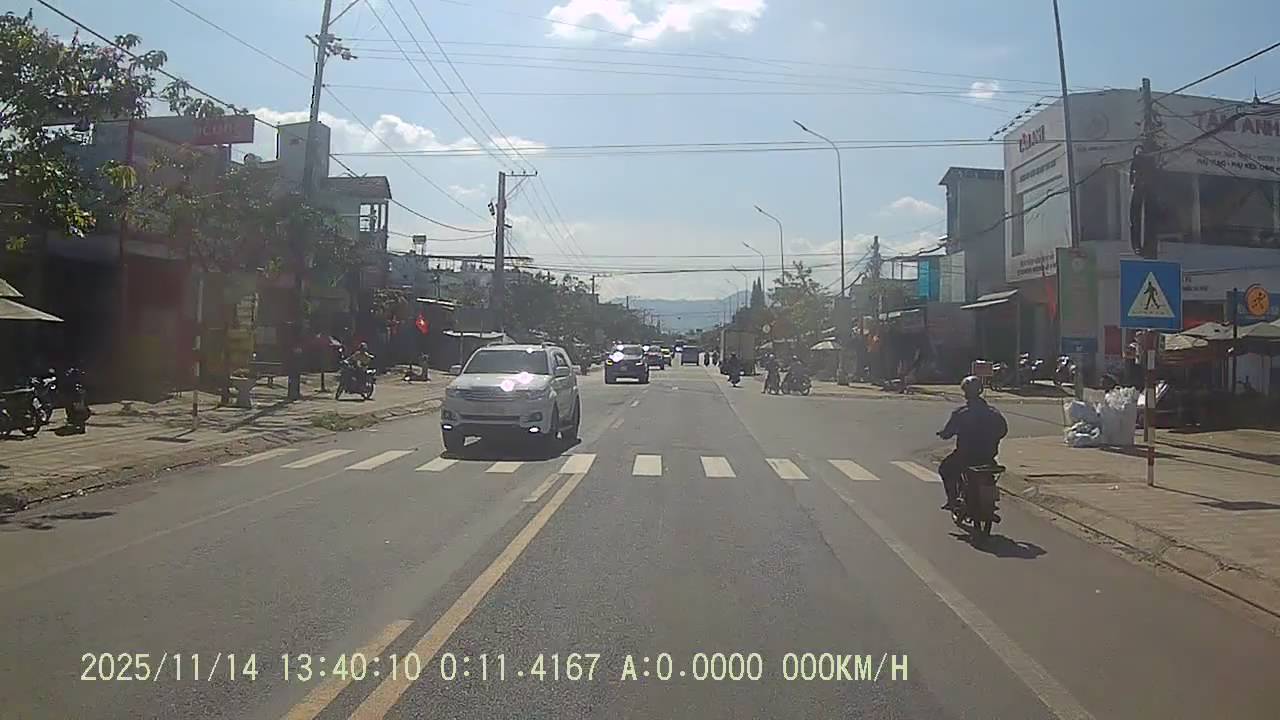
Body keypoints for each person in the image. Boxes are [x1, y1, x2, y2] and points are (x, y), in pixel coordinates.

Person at [937, 376, 1008, 510]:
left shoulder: (960, 413)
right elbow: (1003, 431)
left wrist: (943, 434)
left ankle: (952, 500)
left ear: (965, 393)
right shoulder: (994, 413)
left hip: (965, 456)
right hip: (988, 456)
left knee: (945, 469)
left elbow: (948, 433)